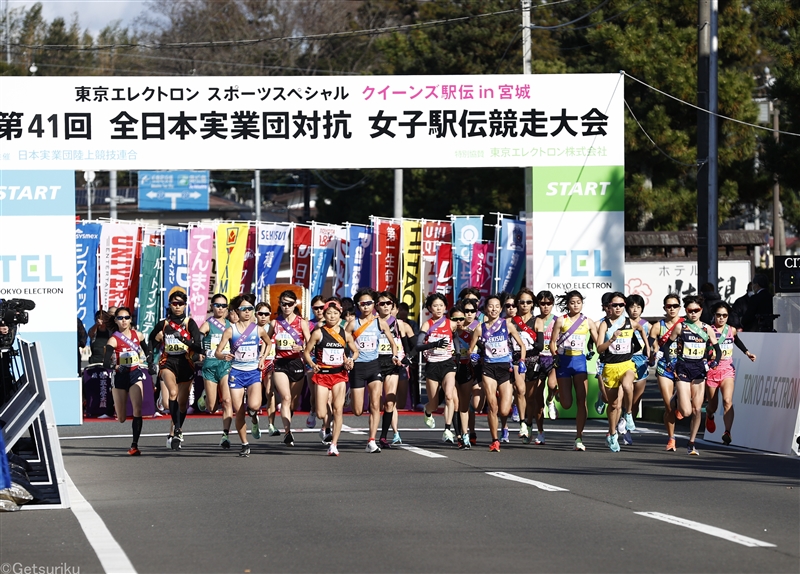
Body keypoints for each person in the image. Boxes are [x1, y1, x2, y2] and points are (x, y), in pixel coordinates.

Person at [660, 295, 721, 456]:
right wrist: (668, 362)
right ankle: (676, 399)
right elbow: (666, 346)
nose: (693, 313)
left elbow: (717, 349)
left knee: (696, 409)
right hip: (683, 368)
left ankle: (691, 442)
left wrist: (715, 362)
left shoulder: (707, 329)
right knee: (685, 411)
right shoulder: (681, 327)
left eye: (697, 310)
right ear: (686, 311)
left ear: (701, 311)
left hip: (699, 369)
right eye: (690, 311)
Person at [215, 294, 272, 457]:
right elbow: (217, 351)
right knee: (239, 411)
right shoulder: (229, 330)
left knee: (254, 405)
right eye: (243, 309)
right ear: (236, 311)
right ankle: (245, 443)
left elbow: (268, 343)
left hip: (254, 372)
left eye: (250, 309)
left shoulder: (258, 329)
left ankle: (254, 418)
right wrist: (224, 356)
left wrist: (262, 358)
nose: (247, 312)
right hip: (236, 373)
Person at [469, 294, 527, 452]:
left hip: (504, 369)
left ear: (500, 309)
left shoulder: (507, 325)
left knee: (503, 410)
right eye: (490, 306)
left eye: (496, 306)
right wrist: (473, 355)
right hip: (488, 369)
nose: (493, 309)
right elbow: (470, 349)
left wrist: (521, 361)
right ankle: (495, 440)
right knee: (492, 406)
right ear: (485, 309)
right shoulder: (480, 328)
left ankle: (505, 425)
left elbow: (522, 345)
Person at [149, 287, 203, 451]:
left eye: (181, 303)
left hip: (186, 362)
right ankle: (178, 429)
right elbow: (151, 339)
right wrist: (150, 356)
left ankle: (175, 431)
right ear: (170, 305)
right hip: (168, 361)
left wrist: (185, 342)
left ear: (185, 305)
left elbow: (199, 348)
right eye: (174, 303)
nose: (177, 306)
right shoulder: (164, 324)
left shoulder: (189, 323)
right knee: (173, 393)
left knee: (182, 403)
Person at [346, 289, 400, 453]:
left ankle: (371, 440)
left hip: (374, 365)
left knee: (376, 404)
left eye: (369, 303)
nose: (366, 306)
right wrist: (346, 358)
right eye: (363, 304)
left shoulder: (380, 323)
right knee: (357, 411)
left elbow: (393, 343)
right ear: (358, 305)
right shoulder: (352, 324)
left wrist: (395, 355)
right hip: (358, 367)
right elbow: (341, 341)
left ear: (373, 305)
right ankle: (351, 394)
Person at [303, 300, 359, 456]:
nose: (332, 316)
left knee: (338, 409)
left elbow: (355, 351)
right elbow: (307, 352)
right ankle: (325, 422)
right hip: (322, 375)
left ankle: (334, 444)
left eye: (335, 313)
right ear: (324, 315)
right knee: (321, 413)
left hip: (339, 374)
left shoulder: (345, 333)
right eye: (329, 313)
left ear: (340, 314)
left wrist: (350, 360)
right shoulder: (318, 332)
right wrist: (312, 364)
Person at [595, 293, 649, 452]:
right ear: (609, 307)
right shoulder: (604, 324)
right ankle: (612, 434)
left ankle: (629, 414)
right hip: (610, 366)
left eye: (621, 305)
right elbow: (599, 348)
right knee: (613, 404)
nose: (618, 308)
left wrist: (647, 348)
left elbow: (641, 329)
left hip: (627, 364)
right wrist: (611, 340)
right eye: (614, 305)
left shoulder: (629, 322)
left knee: (627, 385)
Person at [550, 290, 599, 452]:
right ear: (568, 304)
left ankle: (579, 436)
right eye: (572, 302)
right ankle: (556, 395)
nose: (576, 305)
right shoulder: (561, 321)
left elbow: (598, 341)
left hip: (579, 363)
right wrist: (554, 354)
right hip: (564, 362)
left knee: (581, 400)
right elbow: (552, 342)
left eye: (578, 302)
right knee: (566, 404)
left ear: (582, 303)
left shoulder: (588, 322)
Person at [706, 301, 756, 446]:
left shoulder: (731, 330)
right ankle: (709, 415)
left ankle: (727, 432)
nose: (721, 318)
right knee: (713, 406)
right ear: (714, 315)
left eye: (725, 315)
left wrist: (747, 353)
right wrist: (710, 356)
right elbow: (702, 349)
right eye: (718, 315)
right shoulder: (708, 330)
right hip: (712, 371)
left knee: (727, 401)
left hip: (727, 370)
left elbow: (737, 341)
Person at [103, 307, 149, 455]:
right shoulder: (113, 339)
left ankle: (134, 445)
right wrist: (115, 366)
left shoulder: (138, 335)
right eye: (121, 318)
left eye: (127, 317)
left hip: (135, 374)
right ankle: (119, 412)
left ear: (131, 319)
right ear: (116, 320)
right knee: (121, 417)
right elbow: (105, 362)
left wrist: (151, 362)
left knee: (138, 409)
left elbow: (148, 351)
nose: (124, 321)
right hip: (120, 377)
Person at [268, 290, 311, 447]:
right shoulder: (275, 323)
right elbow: (266, 341)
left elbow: (310, 344)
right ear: (280, 305)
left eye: (290, 304)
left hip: (297, 363)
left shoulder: (302, 323)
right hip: (280, 363)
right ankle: (287, 432)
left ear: (295, 305)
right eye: (283, 304)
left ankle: (288, 418)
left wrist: (302, 347)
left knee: (293, 401)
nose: (286, 307)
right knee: (285, 398)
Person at [417, 293, 459, 443]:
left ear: (445, 307)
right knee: (434, 404)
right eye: (435, 306)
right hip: (432, 365)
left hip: (448, 363)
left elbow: (459, 337)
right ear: (429, 308)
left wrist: (458, 353)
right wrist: (433, 344)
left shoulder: (451, 324)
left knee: (449, 396)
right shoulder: (427, 325)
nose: (439, 308)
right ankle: (427, 411)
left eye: (441, 305)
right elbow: (418, 345)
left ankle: (447, 429)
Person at [376, 292, 413, 449]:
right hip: (375, 363)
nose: (385, 306)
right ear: (376, 306)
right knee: (375, 403)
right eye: (382, 303)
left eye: (388, 303)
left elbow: (410, 348)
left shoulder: (399, 324)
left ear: (393, 305)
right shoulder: (371, 322)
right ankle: (372, 435)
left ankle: (383, 437)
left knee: (390, 401)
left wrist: (405, 359)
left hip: (392, 364)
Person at [197, 294, 234, 448]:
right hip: (210, 366)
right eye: (217, 305)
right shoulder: (207, 324)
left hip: (225, 366)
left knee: (226, 400)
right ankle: (204, 397)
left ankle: (225, 435)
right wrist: (199, 351)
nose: (220, 308)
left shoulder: (230, 325)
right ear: (212, 307)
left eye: (223, 306)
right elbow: (198, 338)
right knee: (212, 408)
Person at [648, 294, 683, 451]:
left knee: (684, 402)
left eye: (675, 306)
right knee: (668, 405)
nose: (672, 309)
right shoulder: (658, 326)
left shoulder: (686, 324)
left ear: (680, 308)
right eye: (669, 306)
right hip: (665, 366)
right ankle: (671, 438)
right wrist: (651, 353)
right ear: (664, 308)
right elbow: (650, 344)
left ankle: (680, 405)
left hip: (684, 365)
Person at [621, 294, 650, 445]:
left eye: (638, 307)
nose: (635, 310)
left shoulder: (647, 325)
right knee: (626, 393)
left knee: (635, 400)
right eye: (632, 307)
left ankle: (627, 426)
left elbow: (653, 342)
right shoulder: (621, 323)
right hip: (626, 361)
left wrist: (653, 352)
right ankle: (620, 428)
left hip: (641, 362)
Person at [529, 291, 558, 445]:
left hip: (552, 359)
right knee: (536, 399)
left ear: (552, 304)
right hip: (537, 360)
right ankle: (540, 432)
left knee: (553, 385)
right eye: (542, 303)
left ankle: (551, 400)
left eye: (548, 303)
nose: (545, 307)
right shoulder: (535, 321)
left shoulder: (557, 321)